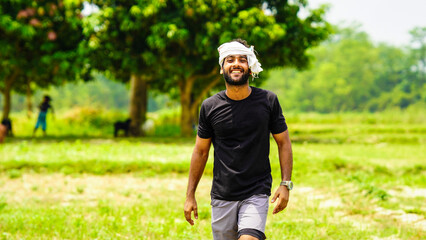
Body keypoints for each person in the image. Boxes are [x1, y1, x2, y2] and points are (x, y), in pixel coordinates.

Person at [184, 39, 293, 240]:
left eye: (242, 60)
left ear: (250, 67)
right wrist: (190, 195)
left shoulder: (268, 101)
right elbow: (201, 151)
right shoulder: (209, 106)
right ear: (222, 68)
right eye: (230, 60)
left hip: (257, 191)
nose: (236, 64)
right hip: (222, 194)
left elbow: (283, 142)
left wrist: (285, 184)